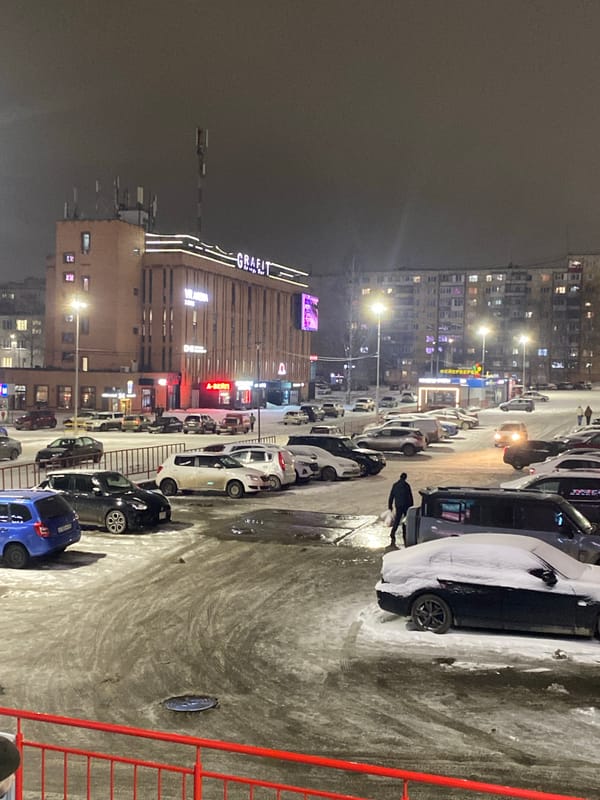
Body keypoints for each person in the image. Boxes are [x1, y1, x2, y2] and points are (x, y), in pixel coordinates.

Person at [387, 472, 414, 546]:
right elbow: (410, 496)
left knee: (397, 519)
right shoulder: (407, 485)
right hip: (406, 506)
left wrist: (390, 506)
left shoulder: (395, 485)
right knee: (405, 520)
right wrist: (411, 506)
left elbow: (391, 496)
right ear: (405, 478)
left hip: (398, 506)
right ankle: (405, 533)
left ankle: (393, 532)